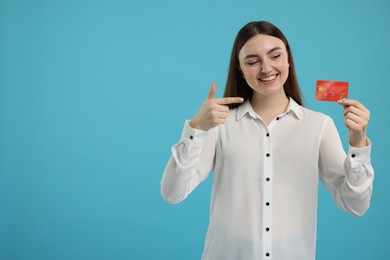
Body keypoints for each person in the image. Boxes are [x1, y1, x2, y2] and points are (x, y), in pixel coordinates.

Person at [160, 21, 374, 260]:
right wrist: (196, 129)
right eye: (252, 61)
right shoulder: (219, 127)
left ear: (288, 60)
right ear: (240, 69)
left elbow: (356, 205)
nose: (266, 68)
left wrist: (358, 143)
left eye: (275, 56)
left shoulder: (319, 126)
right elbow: (172, 192)